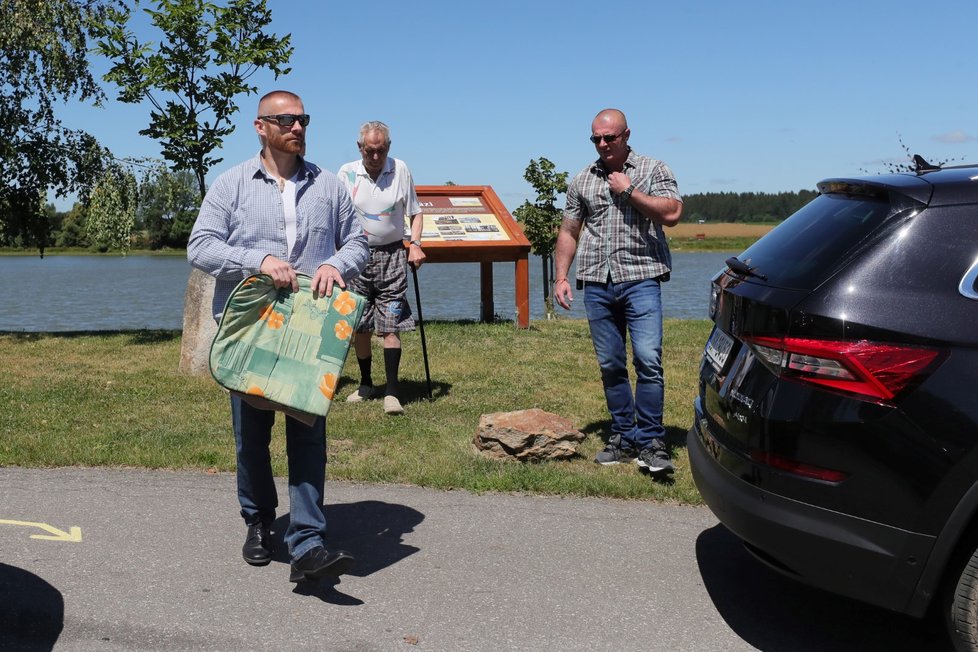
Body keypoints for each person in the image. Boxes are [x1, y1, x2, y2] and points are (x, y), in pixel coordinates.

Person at [187, 90, 369, 582]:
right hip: (249, 330)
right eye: (286, 119)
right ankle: (259, 522)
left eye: (303, 119)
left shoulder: (329, 186)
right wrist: (259, 261)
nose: (297, 127)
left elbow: (358, 242)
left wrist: (335, 262)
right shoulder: (231, 185)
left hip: (309, 330)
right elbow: (200, 245)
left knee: (308, 437)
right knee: (252, 439)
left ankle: (308, 541)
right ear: (260, 127)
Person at [554, 108, 683, 477]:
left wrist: (629, 190)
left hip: (641, 278)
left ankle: (652, 442)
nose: (602, 144)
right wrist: (561, 276)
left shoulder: (653, 170)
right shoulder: (582, 179)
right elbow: (569, 231)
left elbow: (672, 213)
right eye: (596, 138)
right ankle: (624, 437)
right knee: (611, 364)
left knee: (647, 359)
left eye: (609, 137)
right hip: (597, 282)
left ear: (626, 135)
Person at [337, 121, 425, 415]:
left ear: (389, 146)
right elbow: (335, 217)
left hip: (392, 256)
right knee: (359, 324)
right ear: (359, 147)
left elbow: (415, 212)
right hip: (355, 256)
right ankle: (365, 384)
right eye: (370, 151)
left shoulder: (400, 169)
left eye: (381, 150)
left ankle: (392, 391)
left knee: (391, 321)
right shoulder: (346, 173)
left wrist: (415, 243)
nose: (376, 157)